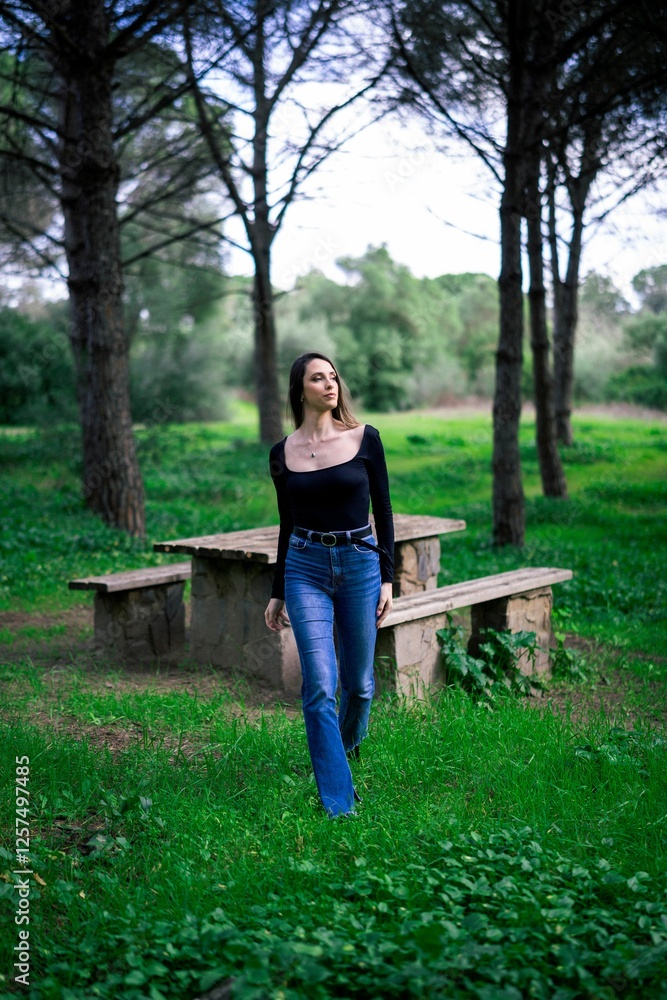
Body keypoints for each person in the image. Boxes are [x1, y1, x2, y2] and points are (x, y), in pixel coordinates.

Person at [264, 352, 395, 818]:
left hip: (360, 564)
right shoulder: (282, 453)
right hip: (306, 567)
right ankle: (338, 803)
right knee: (320, 686)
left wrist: (387, 577)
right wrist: (278, 589)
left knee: (359, 686)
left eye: (334, 376)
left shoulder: (365, 439)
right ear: (300, 390)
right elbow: (286, 523)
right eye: (318, 378)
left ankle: (343, 751)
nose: (330, 384)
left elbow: (383, 510)